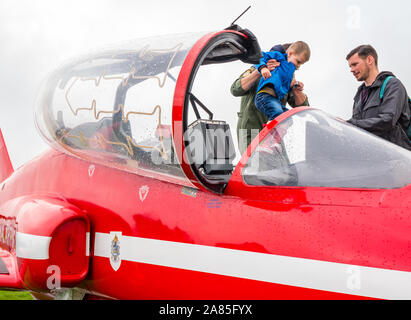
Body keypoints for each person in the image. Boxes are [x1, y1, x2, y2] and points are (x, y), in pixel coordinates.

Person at [231, 43, 310, 155]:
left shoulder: (286, 78)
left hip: (274, 137)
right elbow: (235, 89)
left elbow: (303, 109)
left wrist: (295, 89)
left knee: (284, 170)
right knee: (254, 168)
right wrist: (259, 71)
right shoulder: (256, 68)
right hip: (251, 132)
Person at [346, 45, 411, 150]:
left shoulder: (392, 85)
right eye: (350, 66)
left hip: (396, 159)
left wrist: (352, 124)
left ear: (369, 60)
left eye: (355, 64)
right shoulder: (359, 96)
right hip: (371, 158)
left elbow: (388, 120)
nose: (351, 70)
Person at [254, 41, 311, 122]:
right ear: (290, 54)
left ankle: (276, 133)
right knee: (278, 113)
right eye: (298, 62)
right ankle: (271, 130)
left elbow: (288, 85)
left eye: (301, 64)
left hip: (275, 100)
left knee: (289, 119)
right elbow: (260, 57)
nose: (298, 65)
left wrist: (295, 85)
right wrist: (263, 68)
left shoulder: (290, 71)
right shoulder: (279, 58)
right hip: (264, 96)